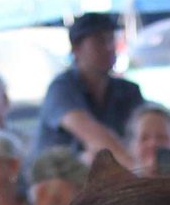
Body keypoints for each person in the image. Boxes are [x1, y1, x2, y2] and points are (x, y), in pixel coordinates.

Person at [35, 14, 145, 166]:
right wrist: (136, 169)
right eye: (99, 41)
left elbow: (148, 130)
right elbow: (91, 134)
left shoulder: (128, 90)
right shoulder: (61, 88)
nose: (108, 47)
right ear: (76, 48)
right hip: (57, 179)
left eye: (111, 40)